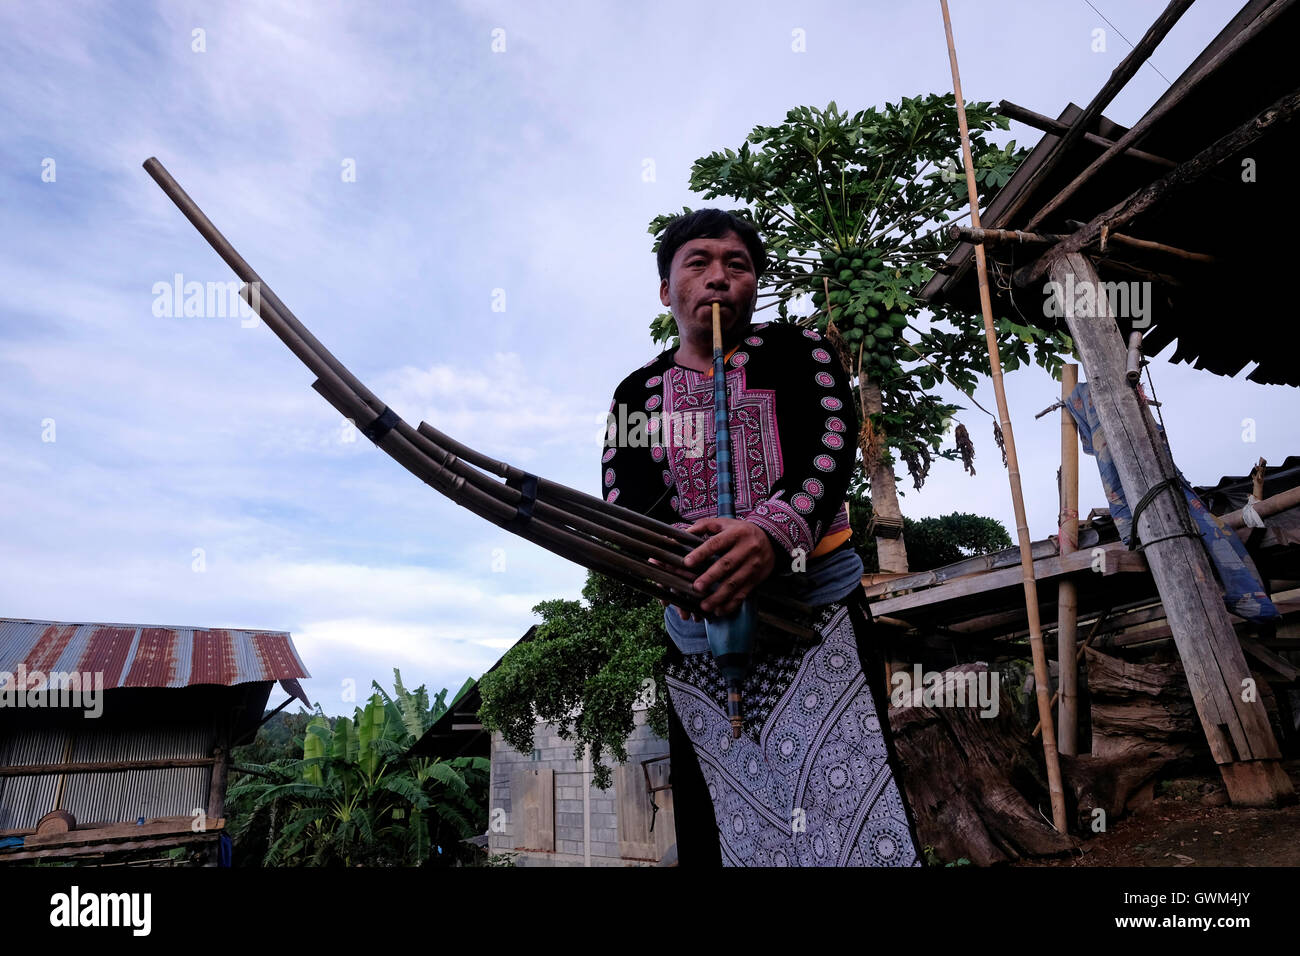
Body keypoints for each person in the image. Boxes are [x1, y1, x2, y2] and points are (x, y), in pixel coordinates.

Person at [600, 209, 924, 867]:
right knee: (724, 831)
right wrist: (677, 564)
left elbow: (829, 448)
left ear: (754, 284)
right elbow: (623, 500)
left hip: (819, 617)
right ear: (667, 290)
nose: (719, 276)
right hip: (698, 639)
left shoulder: (801, 352)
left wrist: (768, 535)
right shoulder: (636, 395)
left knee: (859, 818)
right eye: (698, 262)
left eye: (737, 264)